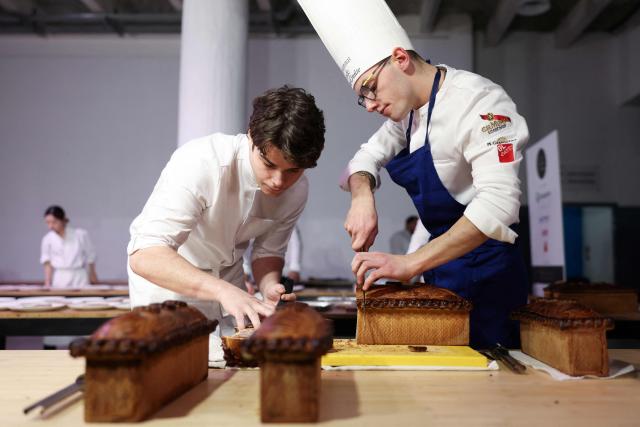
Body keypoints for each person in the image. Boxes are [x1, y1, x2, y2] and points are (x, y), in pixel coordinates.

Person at [298, 0, 529, 348]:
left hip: (489, 277)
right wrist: (362, 198)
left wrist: (411, 262)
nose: (371, 104)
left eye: (370, 88)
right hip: (441, 273)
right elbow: (362, 161)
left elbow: (500, 204)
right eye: (362, 98)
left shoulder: (482, 103)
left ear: (401, 59)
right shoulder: (406, 117)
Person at [127, 86, 325, 350]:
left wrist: (268, 287)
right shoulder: (201, 162)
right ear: (251, 137)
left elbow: (268, 251)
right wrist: (222, 290)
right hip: (170, 285)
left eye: (293, 170)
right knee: (174, 373)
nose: (279, 181)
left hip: (231, 286)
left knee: (232, 373)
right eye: (269, 165)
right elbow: (145, 255)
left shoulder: (297, 190)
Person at [40, 205, 98, 288]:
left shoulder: (80, 235)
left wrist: (92, 274)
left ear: (63, 220)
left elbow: (90, 256)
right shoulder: (47, 239)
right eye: (48, 223)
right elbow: (47, 262)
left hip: (79, 275)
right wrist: (47, 282)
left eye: (54, 222)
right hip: (60, 276)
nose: (51, 226)